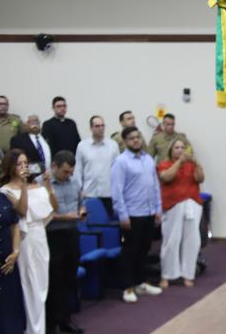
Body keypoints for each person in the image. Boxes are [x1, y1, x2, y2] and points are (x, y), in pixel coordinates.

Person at [0, 149, 56, 334]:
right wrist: (23, 186)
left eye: (26, 163)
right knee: (27, 285)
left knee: (41, 285)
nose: (24, 167)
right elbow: (22, 211)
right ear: (11, 167)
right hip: (21, 241)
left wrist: (46, 185)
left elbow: (52, 208)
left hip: (39, 237)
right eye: (19, 164)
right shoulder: (5, 190)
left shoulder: (36, 186)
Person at [110, 126, 163, 303]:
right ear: (125, 142)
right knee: (130, 252)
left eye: (138, 137)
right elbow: (117, 191)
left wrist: (158, 208)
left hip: (148, 212)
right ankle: (128, 287)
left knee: (144, 250)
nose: (136, 141)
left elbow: (155, 186)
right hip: (132, 214)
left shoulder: (148, 159)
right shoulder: (121, 162)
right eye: (131, 138)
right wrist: (122, 215)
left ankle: (141, 283)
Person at [45, 151, 85, 334]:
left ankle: (66, 319)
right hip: (53, 235)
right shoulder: (42, 184)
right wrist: (63, 216)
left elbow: (81, 203)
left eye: (70, 172)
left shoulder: (74, 182)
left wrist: (82, 210)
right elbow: (43, 216)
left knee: (70, 278)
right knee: (55, 280)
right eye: (65, 172)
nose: (68, 175)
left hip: (72, 234)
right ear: (54, 166)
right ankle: (52, 323)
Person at [157, 139, 204, 288]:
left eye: (182, 147)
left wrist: (196, 162)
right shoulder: (165, 164)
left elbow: (200, 178)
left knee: (192, 241)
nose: (180, 150)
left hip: (192, 204)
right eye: (177, 147)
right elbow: (166, 177)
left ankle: (187, 274)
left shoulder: (192, 165)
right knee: (171, 241)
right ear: (171, 150)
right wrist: (179, 163)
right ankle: (167, 275)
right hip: (172, 206)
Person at [0, 153, 26, 334]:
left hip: (7, 257)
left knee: (8, 303)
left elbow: (14, 225)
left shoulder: (2, 196)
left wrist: (16, 251)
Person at [75, 115, 119, 217]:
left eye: (102, 126)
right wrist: (80, 190)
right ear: (91, 128)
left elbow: (117, 169)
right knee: (91, 225)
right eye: (97, 126)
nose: (100, 128)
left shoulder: (113, 145)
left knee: (110, 226)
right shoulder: (82, 146)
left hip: (109, 193)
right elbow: (78, 170)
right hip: (89, 193)